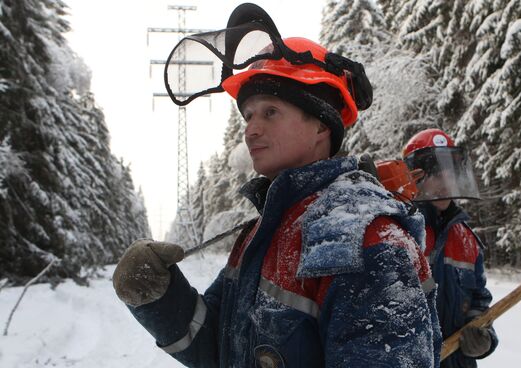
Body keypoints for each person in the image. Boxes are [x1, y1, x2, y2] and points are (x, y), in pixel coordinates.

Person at [112, 3, 441, 367]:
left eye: (270, 112)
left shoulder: (366, 242)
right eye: (249, 115)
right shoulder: (261, 234)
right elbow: (214, 346)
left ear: (321, 125)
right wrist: (159, 299)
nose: (251, 129)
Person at [403, 129, 498, 368]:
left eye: (450, 172)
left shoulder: (467, 242)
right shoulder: (398, 234)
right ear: (414, 177)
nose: (446, 182)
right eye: (436, 173)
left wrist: (484, 338)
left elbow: (479, 304)